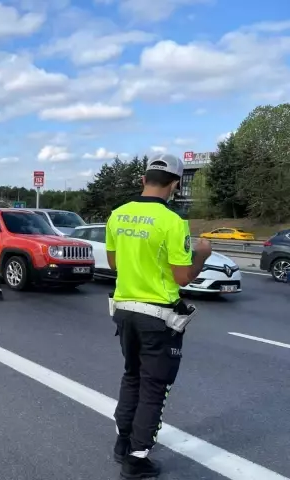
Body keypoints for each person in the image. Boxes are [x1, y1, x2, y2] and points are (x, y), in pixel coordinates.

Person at [105, 154, 212, 479]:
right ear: (176, 184)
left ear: (143, 179)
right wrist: (201, 255)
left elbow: (114, 265)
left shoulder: (117, 215)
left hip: (124, 310)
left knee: (132, 377)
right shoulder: (173, 222)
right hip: (159, 318)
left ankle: (123, 443)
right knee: (154, 387)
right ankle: (137, 459)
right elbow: (182, 277)